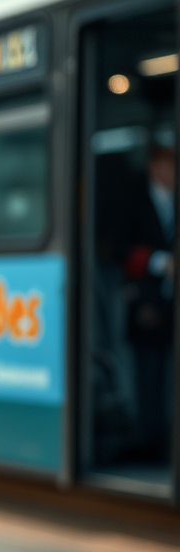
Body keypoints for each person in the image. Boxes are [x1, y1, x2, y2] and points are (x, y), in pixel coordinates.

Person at [117, 142, 175, 460]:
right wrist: (159, 262)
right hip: (148, 303)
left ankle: (167, 438)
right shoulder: (135, 203)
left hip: (171, 304)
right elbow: (119, 250)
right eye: (169, 167)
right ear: (155, 168)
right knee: (149, 376)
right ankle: (150, 440)